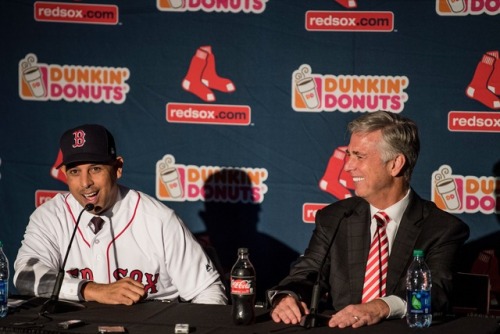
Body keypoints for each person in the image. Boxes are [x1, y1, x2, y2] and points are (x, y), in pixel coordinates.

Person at [267, 111, 470, 328]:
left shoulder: (442, 229)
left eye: (359, 156)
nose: (347, 166)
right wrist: (288, 296)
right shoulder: (335, 218)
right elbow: (307, 272)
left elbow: (435, 293)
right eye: (348, 155)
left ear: (395, 164)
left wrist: (380, 307)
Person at [14, 124, 227, 306]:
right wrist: (93, 290)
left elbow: (208, 291)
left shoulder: (157, 219)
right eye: (74, 171)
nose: (85, 182)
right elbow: (25, 277)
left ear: (117, 168)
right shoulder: (51, 217)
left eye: (95, 169)